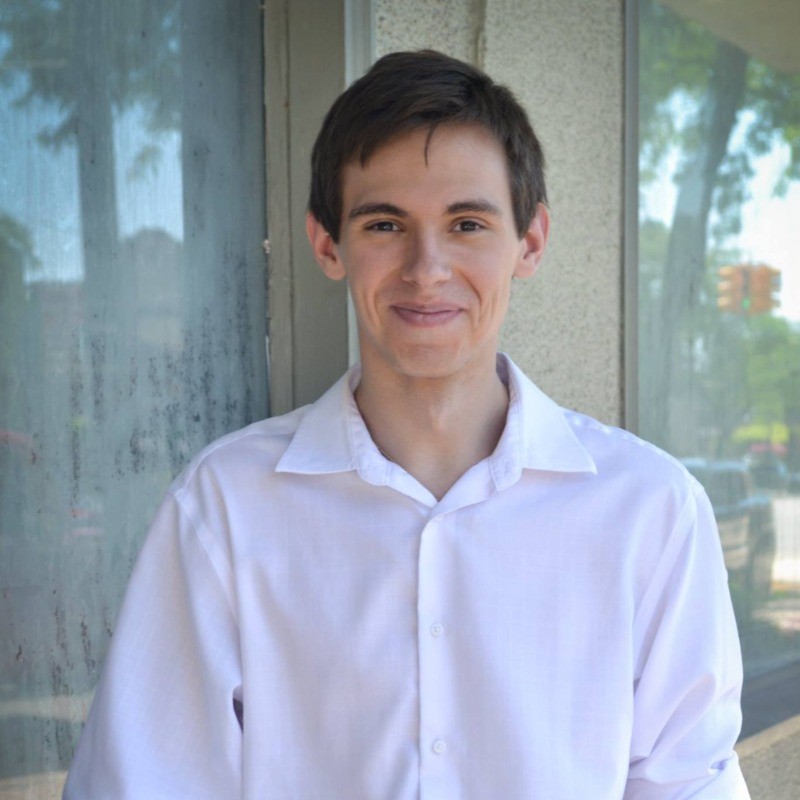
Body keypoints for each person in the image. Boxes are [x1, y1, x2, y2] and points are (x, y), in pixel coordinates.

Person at [64, 50, 750, 799]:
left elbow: (688, 783)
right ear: (328, 244)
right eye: (385, 223)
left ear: (530, 241)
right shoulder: (225, 505)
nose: (427, 269)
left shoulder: (651, 509)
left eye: (467, 223)